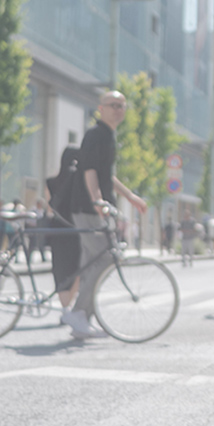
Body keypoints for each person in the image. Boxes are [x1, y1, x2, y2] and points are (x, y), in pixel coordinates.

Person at [66, 90, 149, 339]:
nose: (118, 109)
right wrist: (97, 201)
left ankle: (81, 319)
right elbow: (89, 171)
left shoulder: (108, 136)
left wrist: (130, 197)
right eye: (113, 105)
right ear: (100, 108)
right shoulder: (95, 134)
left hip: (93, 206)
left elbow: (106, 175)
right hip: (87, 207)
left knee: (95, 262)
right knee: (103, 260)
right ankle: (78, 313)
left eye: (122, 105)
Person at [45, 146, 84, 317]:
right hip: (75, 228)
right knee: (79, 268)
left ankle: (64, 308)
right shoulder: (79, 180)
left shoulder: (50, 182)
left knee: (60, 269)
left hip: (57, 229)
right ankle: (70, 306)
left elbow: (49, 209)